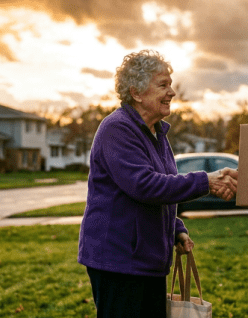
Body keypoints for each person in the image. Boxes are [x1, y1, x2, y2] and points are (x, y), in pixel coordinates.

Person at [77, 49, 238, 318]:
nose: (172, 92)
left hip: (147, 261)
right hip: (118, 262)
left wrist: (176, 229)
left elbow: (165, 186)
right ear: (137, 93)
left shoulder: (157, 132)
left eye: (170, 85)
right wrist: (206, 181)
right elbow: (144, 185)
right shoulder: (117, 129)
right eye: (163, 85)